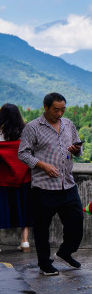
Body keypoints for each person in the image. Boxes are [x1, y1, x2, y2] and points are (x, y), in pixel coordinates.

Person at [18, 92, 84, 276]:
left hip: (67, 184)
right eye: (56, 110)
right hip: (43, 187)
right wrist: (42, 165)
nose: (60, 113)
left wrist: (77, 149)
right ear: (46, 107)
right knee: (41, 228)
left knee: (77, 222)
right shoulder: (33, 127)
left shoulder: (68, 124)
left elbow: (78, 150)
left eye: (63, 109)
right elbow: (23, 153)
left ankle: (65, 251)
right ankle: (45, 264)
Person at [0, 104, 32, 253]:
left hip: (3, 180)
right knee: (25, 209)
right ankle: (25, 241)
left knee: (2, 210)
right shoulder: (26, 132)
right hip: (24, 179)